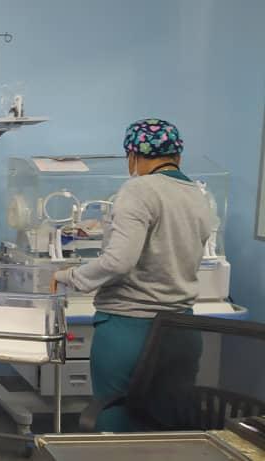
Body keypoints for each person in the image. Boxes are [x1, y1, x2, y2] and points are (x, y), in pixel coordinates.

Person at [52, 118, 214, 431]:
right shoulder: (197, 195)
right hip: (182, 328)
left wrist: (68, 276)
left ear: (133, 156)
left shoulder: (138, 190)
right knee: (171, 425)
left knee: (117, 419)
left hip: (131, 329)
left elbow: (117, 261)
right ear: (177, 155)